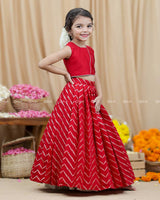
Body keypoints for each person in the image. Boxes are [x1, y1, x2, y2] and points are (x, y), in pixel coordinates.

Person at [30, 8, 135, 191]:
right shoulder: (68, 49)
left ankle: (98, 178)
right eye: (79, 26)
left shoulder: (90, 50)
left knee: (96, 136)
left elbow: (94, 74)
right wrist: (64, 72)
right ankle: (76, 181)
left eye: (89, 26)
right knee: (76, 136)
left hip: (91, 94)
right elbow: (43, 63)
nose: (85, 30)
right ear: (69, 30)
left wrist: (100, 94)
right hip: (76, 95)